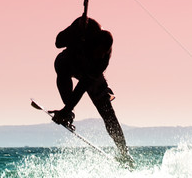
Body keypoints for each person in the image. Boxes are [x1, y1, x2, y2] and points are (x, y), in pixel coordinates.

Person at [52, 14, 133, 165]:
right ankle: (69, 114)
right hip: (72, 63)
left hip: (89, 74)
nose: (100, 56)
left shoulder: (102, 61)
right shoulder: (87, 27)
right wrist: (74, 30)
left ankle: (124, 153)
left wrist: (65, 109)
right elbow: (58, 42)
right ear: (94, 43)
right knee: (60, 63)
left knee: (108, 114)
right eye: (98, 52)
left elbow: (82, 86)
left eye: (103, 54)